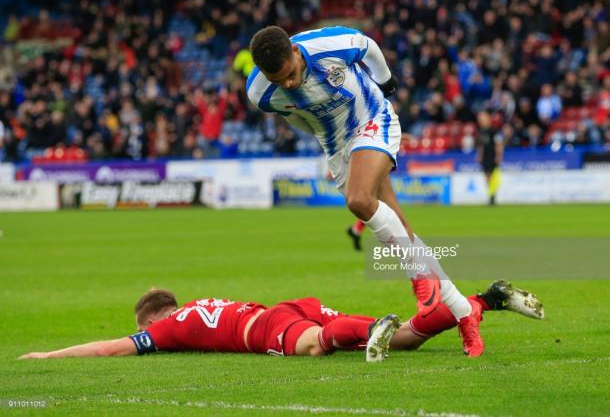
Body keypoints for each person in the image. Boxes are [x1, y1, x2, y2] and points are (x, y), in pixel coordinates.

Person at [246, 25, 484, 356]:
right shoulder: (259, 94)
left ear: (296, 54)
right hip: (337, 146)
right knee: (402, 228)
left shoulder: (328, 46)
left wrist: (385, 82)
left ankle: (420, 277)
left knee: (358, 200)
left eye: (289, 74)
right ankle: (465, 313)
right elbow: (293, 116)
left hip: (372, 119)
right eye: (278, 80)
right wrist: (325, 146)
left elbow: (369, 46)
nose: (286, 84)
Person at [19, 281, 543, 361]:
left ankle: (367, 331)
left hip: (269, 329)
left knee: (317, 346)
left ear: (153, 316)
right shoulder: (206, 299)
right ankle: (479, 301)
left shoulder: (167, 326)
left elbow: (113, 347)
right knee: (407, 340)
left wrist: (50, 355)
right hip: (290, 306)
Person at [476, 111, 504, 205]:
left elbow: (499, 144)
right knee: (487, 176)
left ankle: (493, 195)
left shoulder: (494, 131)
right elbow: (480, 146)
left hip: (492, 155)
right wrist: (479, 155)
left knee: (493, 176)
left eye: (483, 118)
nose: (481, 121)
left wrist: (498, 156)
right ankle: (491, 195)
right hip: (485, 156)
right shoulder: (480, 131)